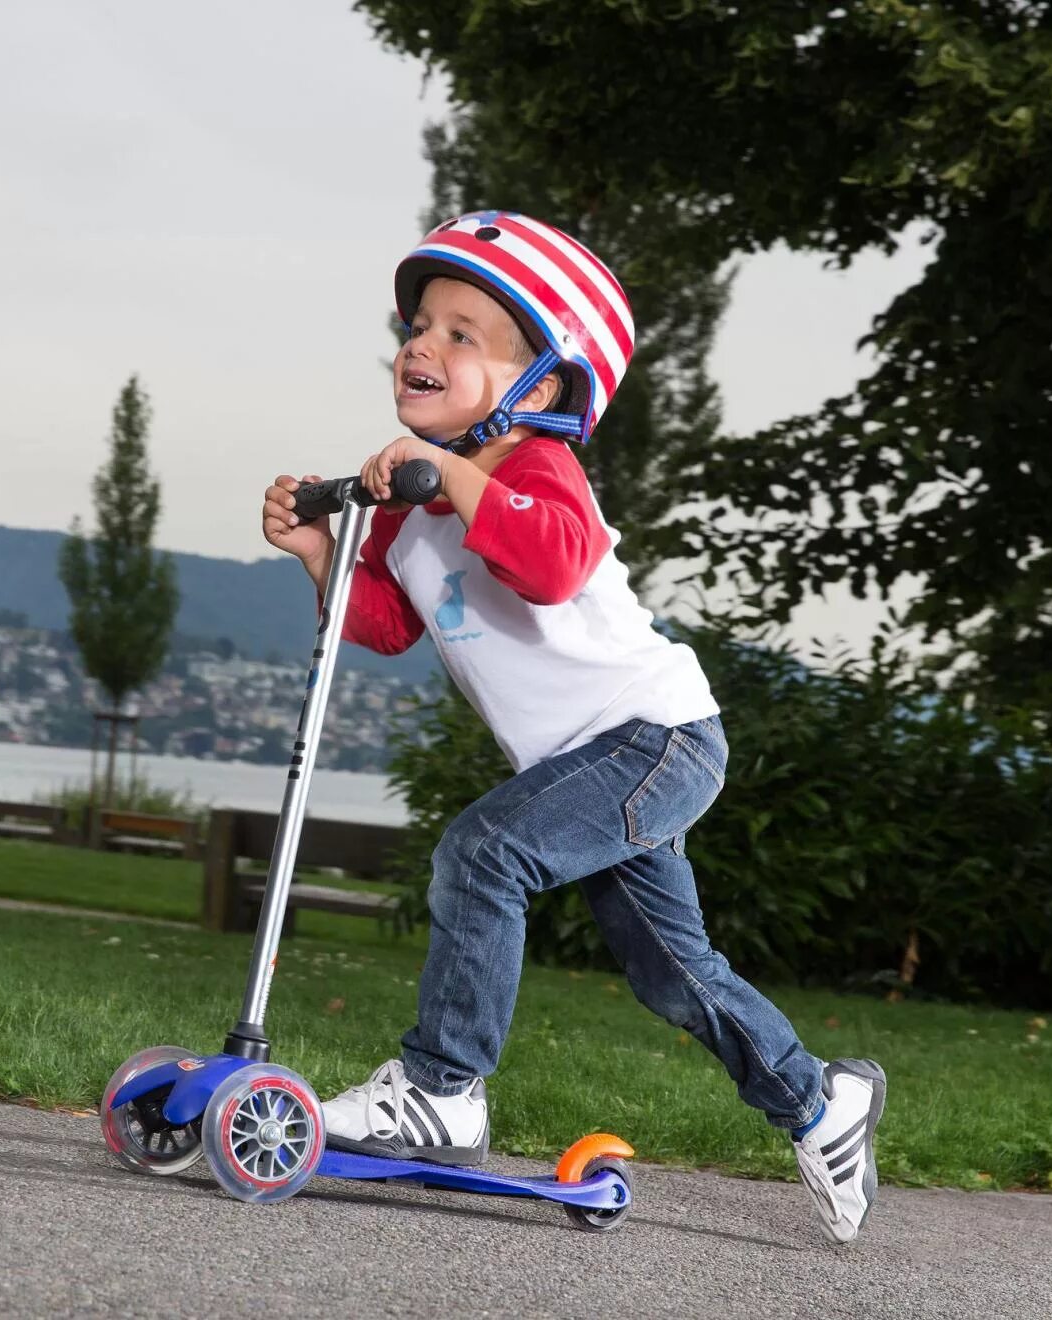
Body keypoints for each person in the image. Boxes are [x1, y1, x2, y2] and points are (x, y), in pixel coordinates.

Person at [259, 211, 886, 1244]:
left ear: (541, 385)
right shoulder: (411, 513)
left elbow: (550, 564)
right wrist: (322, 553)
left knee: (483, 850)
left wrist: (450, 473)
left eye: (465, 333)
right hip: (588, 761)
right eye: (422, 324)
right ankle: (820, 1104)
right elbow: (380, 627)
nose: (425, 344)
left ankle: (443, 1089)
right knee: (672, 972)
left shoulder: (533, 470)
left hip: (656, 738)